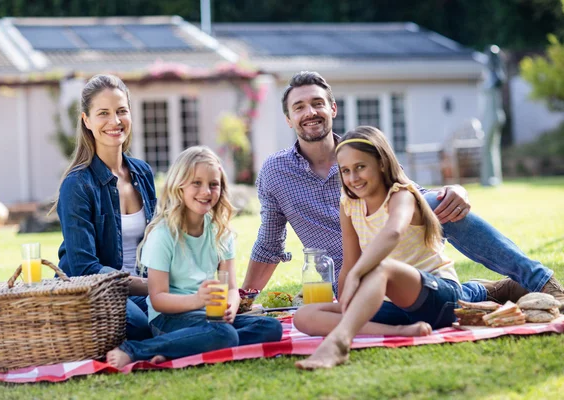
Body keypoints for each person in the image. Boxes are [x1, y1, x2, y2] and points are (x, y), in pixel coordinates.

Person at [242, 71, 564, 306]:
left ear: (333, 109)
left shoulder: (364, 151)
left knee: (438, 202)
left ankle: (542, 282)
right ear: (288, 119)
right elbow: (269, 244)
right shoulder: (275, 172)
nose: (310, 112)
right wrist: (245, 298)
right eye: (299, 107)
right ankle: (484, 292)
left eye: (317, 103)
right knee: (401, 308)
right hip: (350, 278)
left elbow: (408, 194)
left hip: (402, 257)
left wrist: (453, 191)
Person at [294, 126, 465, 369]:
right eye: (345, 171)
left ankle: (339, 342)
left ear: (382, 164)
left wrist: (357, 274)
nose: (353, 178)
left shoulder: (401, 195)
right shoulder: (349, 206)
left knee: (380, 267)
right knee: (304, 316)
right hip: (392, 306)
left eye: (360, 167)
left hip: (440, 298)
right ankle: (400, 331)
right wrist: (346, 302)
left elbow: (393, 232)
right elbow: (349, 263)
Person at [106, 146, 283, 368]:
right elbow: (158, 298)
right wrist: (197, 300)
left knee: (269, 328)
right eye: (196, 183)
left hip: (210, 317)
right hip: (169, 318)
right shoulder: (163, 234)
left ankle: (178, 349)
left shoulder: (220, 231)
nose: (206, 191)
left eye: (213, 184)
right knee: (224, 334)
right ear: (179, 186)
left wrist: (231, 306)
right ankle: (136, 349)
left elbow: (231, 288)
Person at [51, 74, 156, 341]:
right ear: (86, 120)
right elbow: (85, 268)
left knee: (195, 314)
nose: (115, 121)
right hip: (97, 295)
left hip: (146, 291)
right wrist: (153, 287)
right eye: (103, 113)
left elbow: (159, 243)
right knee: (142, 327)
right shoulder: (77, 185)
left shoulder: (142, 173)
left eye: (122, 111)